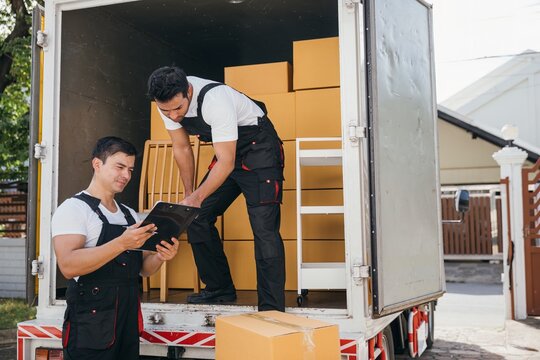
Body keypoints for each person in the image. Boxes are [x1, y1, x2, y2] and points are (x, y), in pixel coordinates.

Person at [147, 66, 285, 311]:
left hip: (260, 151)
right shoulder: (166, 104)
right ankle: (219, 289)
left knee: (264, 227)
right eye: (165, 110)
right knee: (196, 217)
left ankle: (271, 307)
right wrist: (190, 196)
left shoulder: (215, 100)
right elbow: (181, 148)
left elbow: (226, 161)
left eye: (178, 108)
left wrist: (198, 196)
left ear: (188, 91)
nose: (174, 115)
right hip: (228, 152)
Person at [52, 136, 179, 359]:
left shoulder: (129, 214)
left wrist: (160, 256)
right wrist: (121, 243)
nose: (126, 175)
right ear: (97, 164)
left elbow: (143, 270)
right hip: (92, 325)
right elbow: (68, 266)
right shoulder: (74, 209)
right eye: (119, 167)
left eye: (130, 169)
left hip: (127, 320)